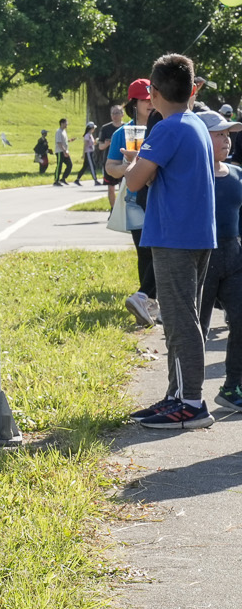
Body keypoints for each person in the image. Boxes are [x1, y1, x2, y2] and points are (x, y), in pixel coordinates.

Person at [125, 54, 218, 430]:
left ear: (155, 91)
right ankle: (177, 394)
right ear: (192, 89)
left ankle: (191, 403)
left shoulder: (166, 128)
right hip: (196, 234)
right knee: (183, 317)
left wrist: (136, 161)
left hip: (174, 236)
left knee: (180, 321)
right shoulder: (194, 122)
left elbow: (133, 181)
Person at [196, 110, 242, 411]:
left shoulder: (238, 174)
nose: (226, 139)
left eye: (228, 134)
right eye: (219, 134)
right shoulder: (192, 175)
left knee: (240, 321)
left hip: (234, 257)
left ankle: (232, 387)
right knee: (196, 327)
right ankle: (189, 393)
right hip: (201, 257)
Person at [108, 82, 161, 325]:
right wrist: (130, 168)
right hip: (133, 200)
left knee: (158, 251)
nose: (149, 103)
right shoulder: (123, 132)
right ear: (133, 104)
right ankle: (147, 303)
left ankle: (150, 300)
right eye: (143, 99)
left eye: (152, 97)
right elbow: (110, 168)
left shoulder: (162, 127)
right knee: (144, 252)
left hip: (159, 197)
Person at [99, 103, 126, 209]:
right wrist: (106, 144)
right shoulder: (105, 128)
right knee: (111, 188)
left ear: (122, 114)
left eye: (117, 113)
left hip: (124, 161)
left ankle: (121, 209)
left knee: (122, 187)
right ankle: (113, 209)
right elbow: (100, 146)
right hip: (109, 162)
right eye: (113, 113)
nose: (115, 115)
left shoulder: (127, 127)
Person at [52, 118, 74, 185]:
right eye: (66, 123)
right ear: (62, 123)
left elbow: (64, 141)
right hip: (60, 151)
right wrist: (64, 151)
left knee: (69, 164)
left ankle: (63, 178)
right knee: (59, 165)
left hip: (65, 151)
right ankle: (56, 180)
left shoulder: (64, 131)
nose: (66, 125)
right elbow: (59, 142)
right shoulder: (59, 131)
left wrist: (69, 140)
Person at [80, 121, 98, 186]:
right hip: (88, 152)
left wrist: (95, 142)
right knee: (92, 166)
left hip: (91, 152)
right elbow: (85, 145)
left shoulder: (90, 135)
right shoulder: (87, 135)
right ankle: (95, 180)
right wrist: (84, 154)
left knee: (85, 166)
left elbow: (92, 143)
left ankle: (77, 179)